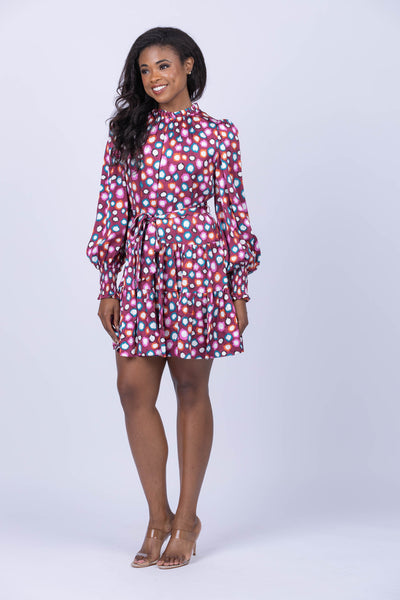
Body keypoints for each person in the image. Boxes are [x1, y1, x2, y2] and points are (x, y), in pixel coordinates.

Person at [86, 26, 260, 569]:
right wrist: (108, 283)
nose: (153, 77)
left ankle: (186, 520)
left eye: (163, 65)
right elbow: (112, 207)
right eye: (144, 70)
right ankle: (157, 516)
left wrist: (237, 288)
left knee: (189, 386)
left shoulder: (218, 134)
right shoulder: (126, 132)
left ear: (188, 66)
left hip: (197, 268)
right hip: (141, 267)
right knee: (132, 388)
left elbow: (231, 210)